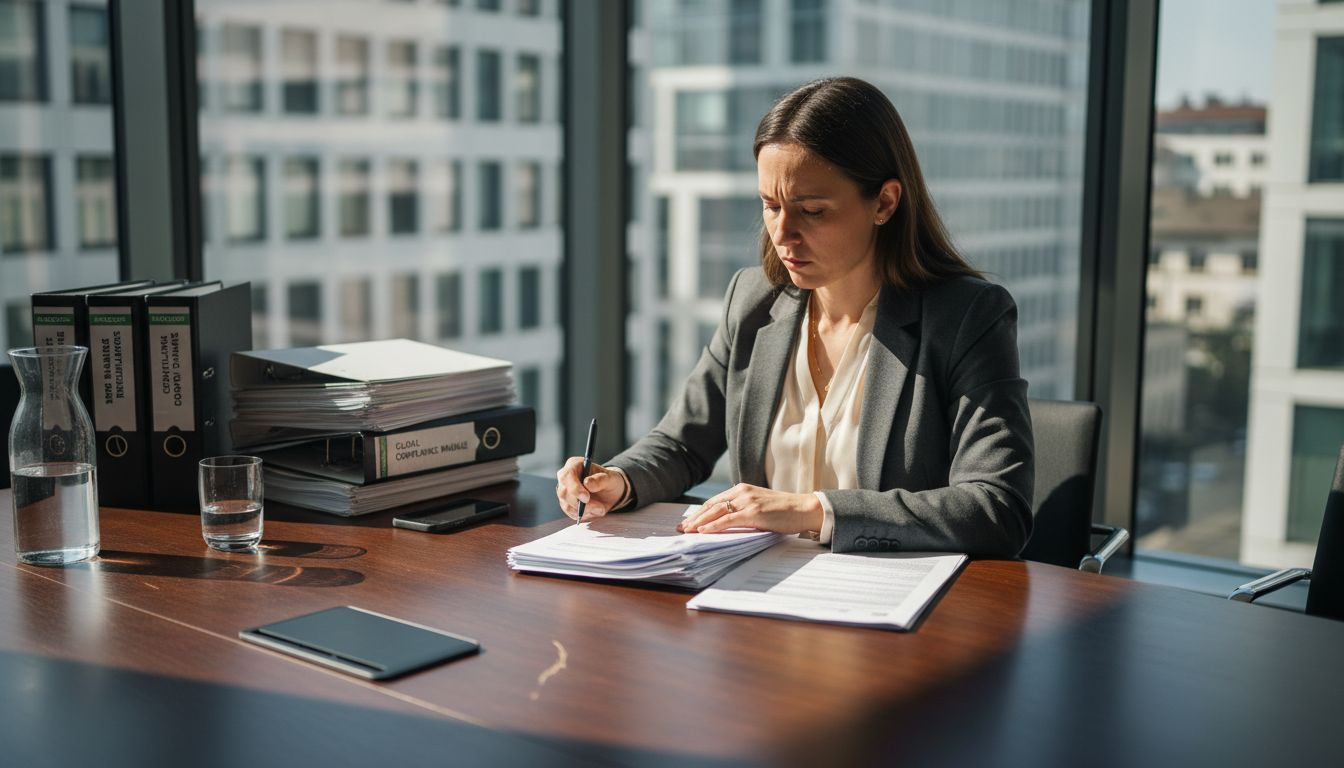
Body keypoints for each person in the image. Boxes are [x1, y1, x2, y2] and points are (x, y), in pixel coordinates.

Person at [555, 76, 1034, 557]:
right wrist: (617, 480)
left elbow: (996, 508)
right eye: (770, 205)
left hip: (890, 604)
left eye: (812, 211)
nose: (783, 233)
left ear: (885, 202)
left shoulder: (967, 317)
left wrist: (814, 509)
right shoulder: (752, 300)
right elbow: (682, 443)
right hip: (757, 591)